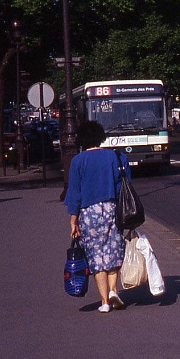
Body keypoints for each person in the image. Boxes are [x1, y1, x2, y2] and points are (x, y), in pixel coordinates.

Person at [64, 121, 130, 313]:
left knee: (96, 255)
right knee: (113, 250)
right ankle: (114, 290)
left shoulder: (78, 161)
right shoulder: (116, 157)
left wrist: (73, 220)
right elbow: (124, 184)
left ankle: (104, 302)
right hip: (112, 209)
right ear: (101, 137)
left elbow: (74, 192)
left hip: (88, 213)